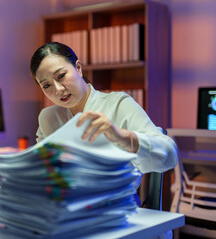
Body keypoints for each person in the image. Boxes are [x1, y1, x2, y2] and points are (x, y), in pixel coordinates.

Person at [30, 42, 177, 174]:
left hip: (115, 202)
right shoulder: (48, 117)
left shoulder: (119, 104)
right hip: (65, 201)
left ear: (79, 68)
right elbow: (44, 170)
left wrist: (123, 136)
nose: (58, 89)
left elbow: (169, 156)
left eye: (61, 76)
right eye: (47, 85)